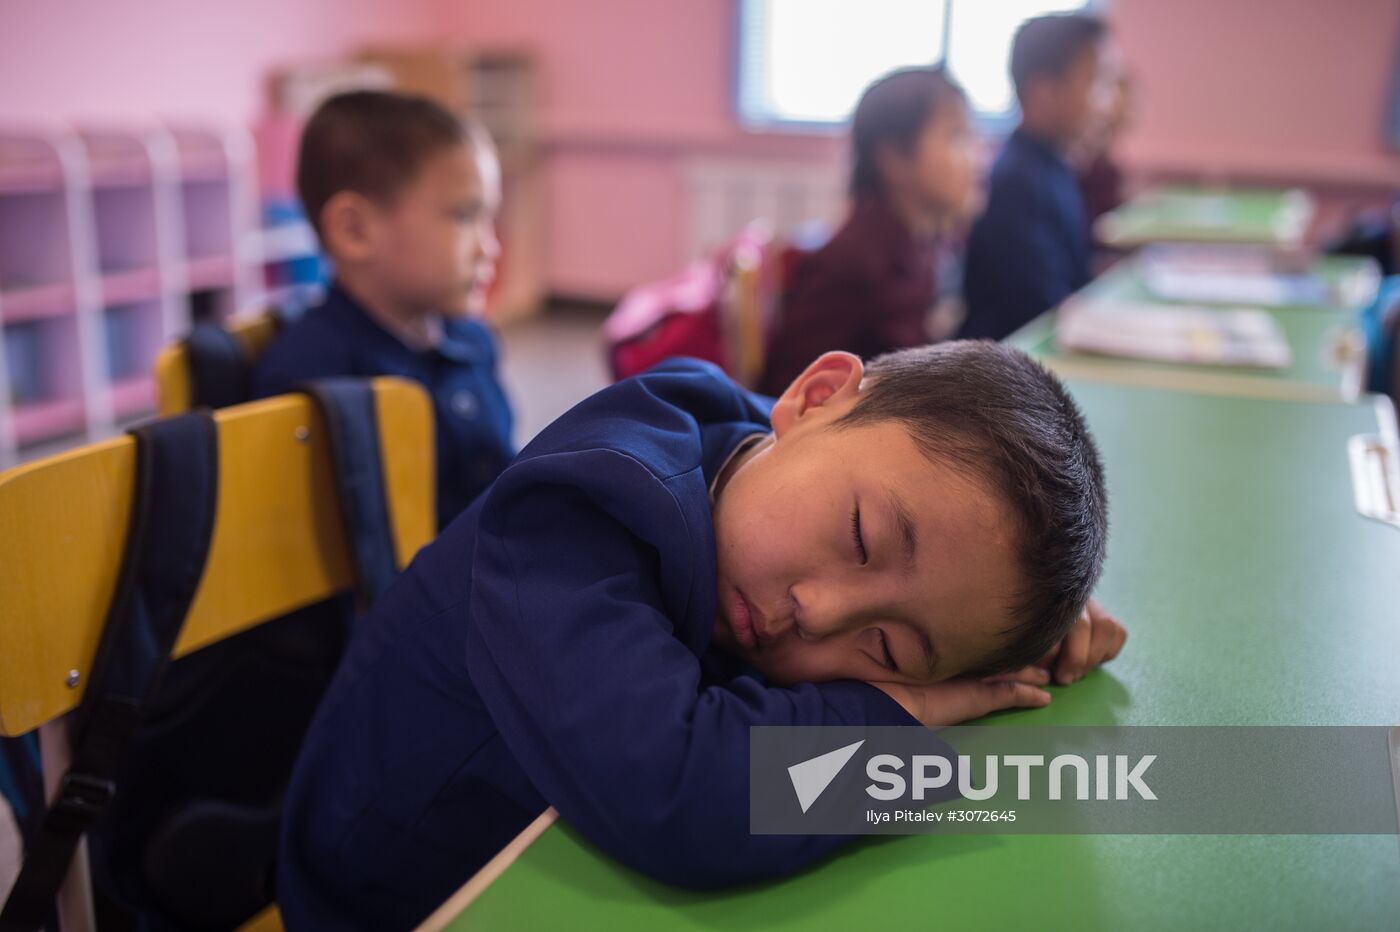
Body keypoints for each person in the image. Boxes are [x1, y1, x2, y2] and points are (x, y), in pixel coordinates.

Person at [278, 342, 1125, 930]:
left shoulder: (784, 458)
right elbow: (678, 788)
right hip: (397, 897)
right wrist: (894, 725)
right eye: (862, 537)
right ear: (816, 396)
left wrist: (1016, 625)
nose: (821, 614)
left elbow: (928, 536)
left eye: (890, 651)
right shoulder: (580, 510)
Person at [254, 90, 514, 529]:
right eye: (464, 216)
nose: (490, 248)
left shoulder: (473, 340)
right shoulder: (311, 376)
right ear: (355, 230)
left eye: (488, 219)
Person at [758, 68, 980, 395]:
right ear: (894, 158)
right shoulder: (851, 262)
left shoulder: (920, 242)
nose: (974, 159)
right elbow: (787, 393)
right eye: (955, 137)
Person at [960, 13, 1111, 340]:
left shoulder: (1054, 166)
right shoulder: (1016, 181)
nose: (1104, 103)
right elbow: (1039, 308)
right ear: (1044, 91)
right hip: (1008, 370)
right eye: (1093, 83)